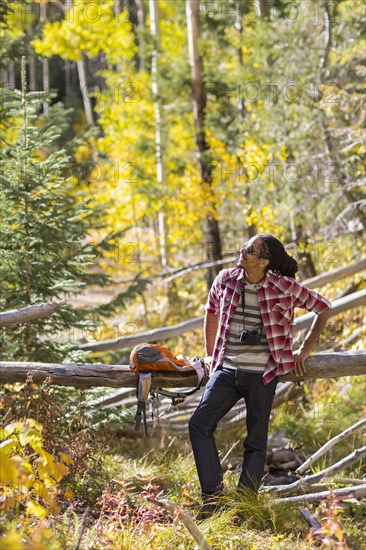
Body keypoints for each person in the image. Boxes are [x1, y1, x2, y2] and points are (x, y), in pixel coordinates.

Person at [189, 233, 332, 519]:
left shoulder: (284, 287)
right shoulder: (226, 279)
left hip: (263, 373)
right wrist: (210, 357)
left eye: (249, 250)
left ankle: (243, 507)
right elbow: (211, 310)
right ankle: (213, 499)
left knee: (256, 441)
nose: (241, 251)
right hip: (227, 370)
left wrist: (304, 350)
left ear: (264, 261)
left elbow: (323, 308)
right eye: (244, 246)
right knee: (199, 425)